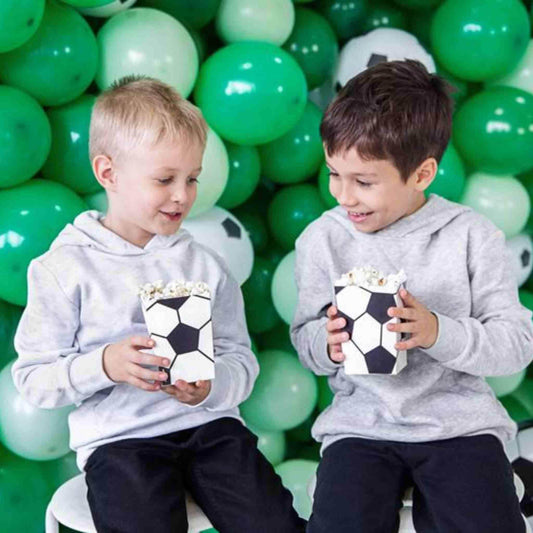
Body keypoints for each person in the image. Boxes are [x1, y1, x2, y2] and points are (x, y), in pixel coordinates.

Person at [13, 76, 305, 533]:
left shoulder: (206, 265)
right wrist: (104, 365)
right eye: (165, 179)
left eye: (192, 179)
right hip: (121, 441)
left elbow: (240, 361)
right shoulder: (64, 269)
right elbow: (34, 380)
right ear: (108, 173)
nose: (182, 195)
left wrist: (210, 387)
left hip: (212, 430)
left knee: (272, 523)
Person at [291, 59, 533, 533]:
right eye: (334, 173)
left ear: (422, 175)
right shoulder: (323, 240)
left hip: (460, 427)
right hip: (360, 427)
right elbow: (305, 340)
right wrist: (328, 343)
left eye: (364, 182)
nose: (343, 195)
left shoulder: (471, 235)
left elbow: (517, 342)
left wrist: (437, 331)